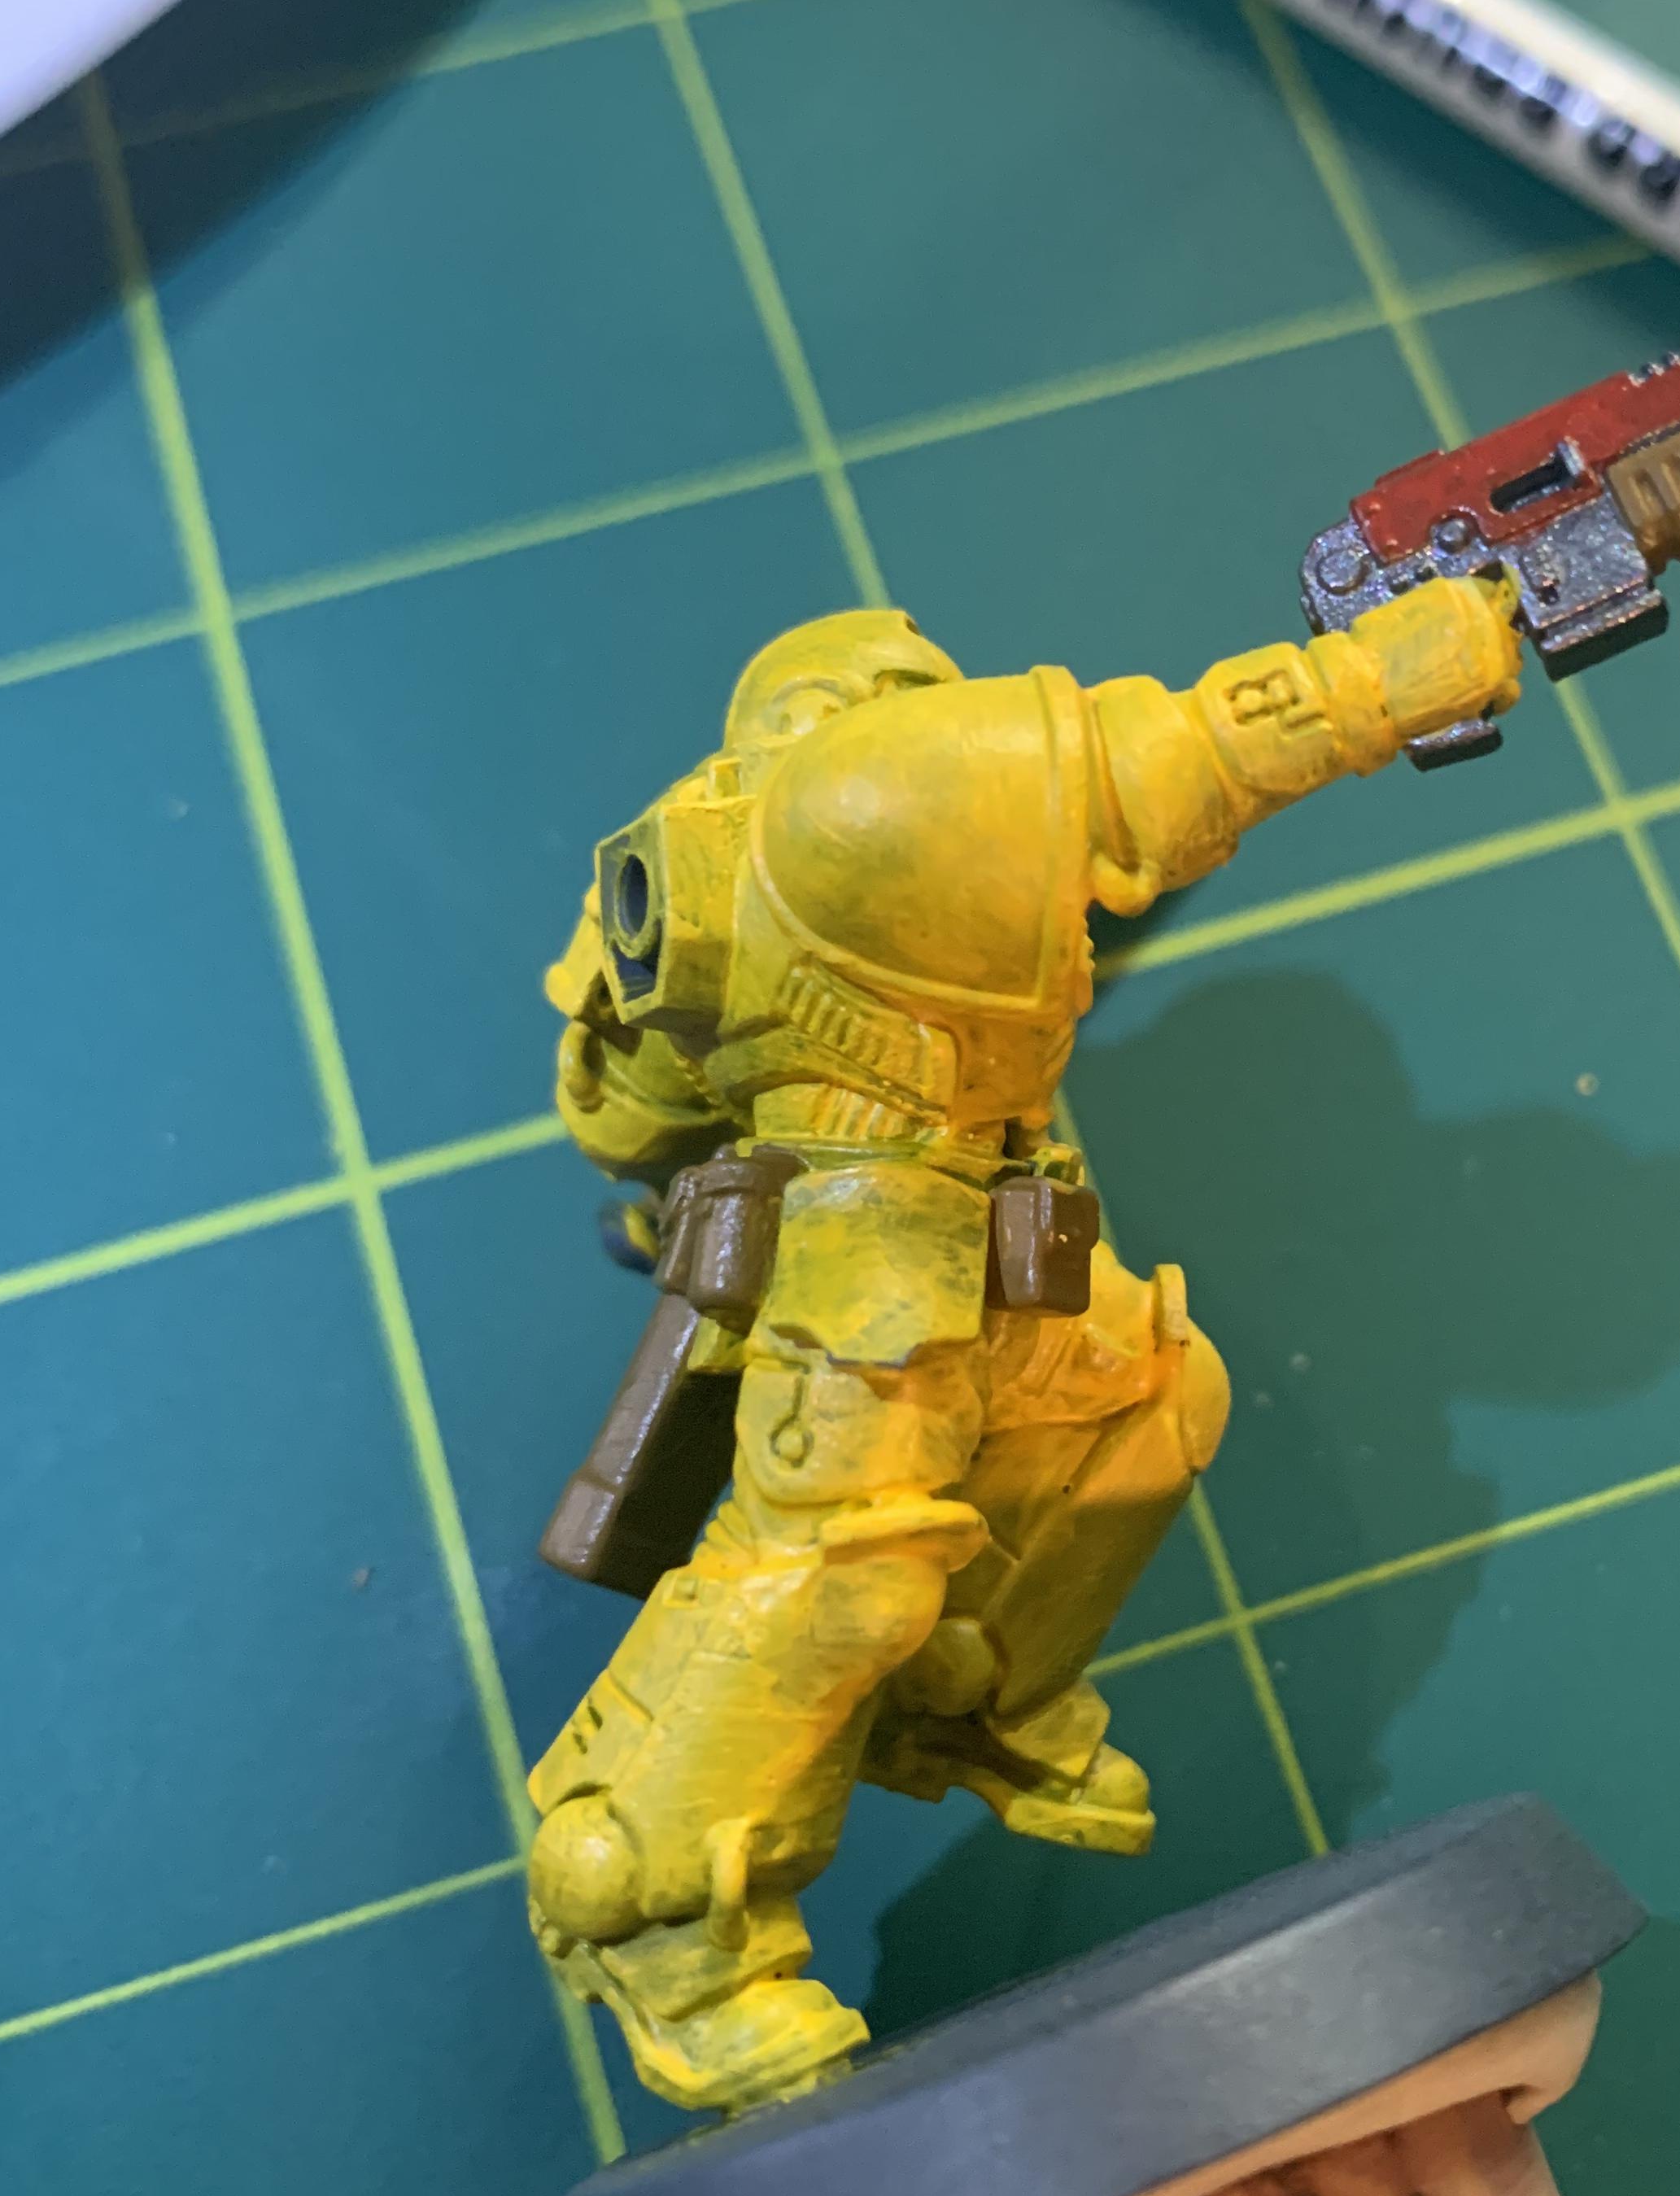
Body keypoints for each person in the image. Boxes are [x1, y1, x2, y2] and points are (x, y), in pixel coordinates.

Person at [525, 582, 1522, 2112]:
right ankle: (650, 1906)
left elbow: (615, 1113)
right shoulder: (854, 794)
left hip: (985, 1225)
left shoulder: (709, 857)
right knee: (839, 1572)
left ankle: (969, 1697)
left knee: (1147, 1400)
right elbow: (1160, 767)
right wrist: (1377, 680)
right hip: (864, 1257)